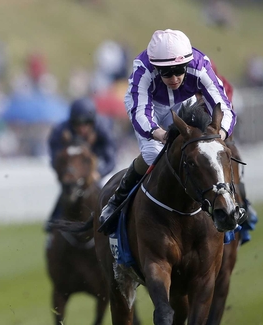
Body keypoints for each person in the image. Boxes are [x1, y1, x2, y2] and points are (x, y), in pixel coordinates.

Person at [98, 29, 237, 234]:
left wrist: (220, 135)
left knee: (210, 152)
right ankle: (117, 200)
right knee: (153, 153)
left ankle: (228, 203)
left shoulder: (199, 66)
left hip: (184, 102)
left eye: (180, 69)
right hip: (150, 107)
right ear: (156, 68)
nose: (174, 77)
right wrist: (161, 134)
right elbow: (140, 113)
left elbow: (223, 106)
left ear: (187, 64)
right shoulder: (143, 69)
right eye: (166, 72)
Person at [46, 97, 117, 228]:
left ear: (93, 122)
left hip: (97, 166)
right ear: (71, 122)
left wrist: (99, 173)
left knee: (106, 190)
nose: (82, 128)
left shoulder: (103, 129)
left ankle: (114, 220)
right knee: (67, 189)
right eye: (78, 124)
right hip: (73, 169)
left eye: (87, 123)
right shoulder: (59, 132)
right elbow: (54, 159)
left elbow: (111, 159)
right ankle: (53, 224)